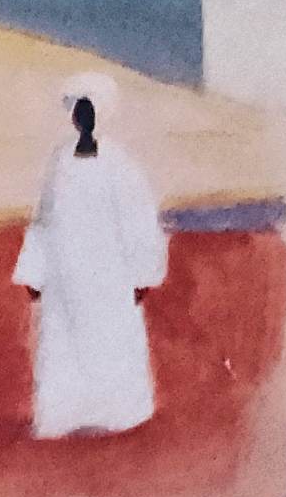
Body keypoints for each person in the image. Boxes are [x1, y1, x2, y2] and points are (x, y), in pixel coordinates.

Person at [11, 73, 169, 438]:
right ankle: (65, 416)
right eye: (79, 110)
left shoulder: (119, 162)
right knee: (64, 343)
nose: (83, 117)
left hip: (109, 274)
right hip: (65, 275)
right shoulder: (59, 161)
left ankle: (117, 414)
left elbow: (138, 218)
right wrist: (35, 272)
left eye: (89, 110)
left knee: (110, 340)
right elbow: (44, 218)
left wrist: (143, 274)